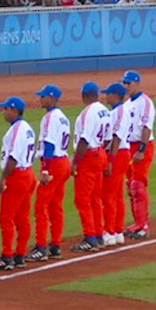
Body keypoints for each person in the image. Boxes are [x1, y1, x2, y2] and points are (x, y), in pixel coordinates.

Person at [0, 97, 37, 271]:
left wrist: (2, 180)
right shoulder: (28, 128)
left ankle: (7, 256)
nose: (3, 112)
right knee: (22, 217)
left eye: (6, 109)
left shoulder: (17, 129)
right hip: (28, 174)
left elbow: (13, 158)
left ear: (14, 111)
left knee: (6, 217)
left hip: (17, 176)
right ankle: (20, 255)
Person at [26, 85, 71, 263]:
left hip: (54, 164)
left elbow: (50, 145)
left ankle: (41, 247)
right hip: (64, 163)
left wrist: (45, 169)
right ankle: (55, 245)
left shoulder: (50, 118)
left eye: (43, 96)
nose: (40, 99)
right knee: (56, 205)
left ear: (51, 98)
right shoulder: (63, 117)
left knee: (41, 206)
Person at [71, 81, 111, 252]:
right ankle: (98, 235)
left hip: (88, 157)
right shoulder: (105, 110)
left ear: (84, 95)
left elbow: (84, 139)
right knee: (95, 198)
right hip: (100, 153)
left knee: (82, 199)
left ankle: (90, 237)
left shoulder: (88, 112)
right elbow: (108, 138)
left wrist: (75, 162)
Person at [121, 70, 156, 241]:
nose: (126, 86)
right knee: (131, 186)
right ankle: (137, 222)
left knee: (138, 185)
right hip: (128, 146)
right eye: (124, 83)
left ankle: (144, 226)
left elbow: (146, 127)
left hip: (142, 146)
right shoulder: (127, 104)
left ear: (137, 83)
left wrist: (141, 150)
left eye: (128, 83)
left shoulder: (146, 102)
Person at [100, 82, 133, 247]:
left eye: (108, 93)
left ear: (115, 95)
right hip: (120, 153)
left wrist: (110, 161)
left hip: (117, 154)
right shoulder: (120, 111)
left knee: (108, 195)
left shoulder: (119, 111)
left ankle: (109, 231)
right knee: (117, 194)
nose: (105, 96)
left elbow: (116, 137)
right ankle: (118, 231)